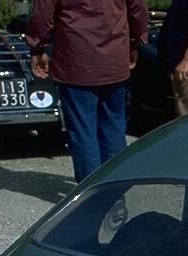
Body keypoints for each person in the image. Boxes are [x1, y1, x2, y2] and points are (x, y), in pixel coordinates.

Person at [27, 0, 150, 183]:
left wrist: (38, 48)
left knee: (83, 131)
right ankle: (115, 192)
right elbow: (138, 9)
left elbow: (43, 15)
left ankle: (92, 194)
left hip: (76, 59)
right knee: (114, 128)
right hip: (113, 59)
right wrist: (135, 42)